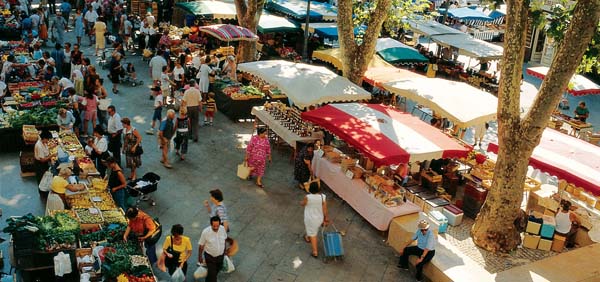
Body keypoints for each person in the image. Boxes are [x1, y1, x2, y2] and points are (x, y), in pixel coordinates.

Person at [301, 182, 329, 258]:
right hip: (319, 218)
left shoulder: (308, 197)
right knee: (313, 229)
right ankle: (307, 236)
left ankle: (315, 252)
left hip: (310, 219)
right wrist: (326, 218)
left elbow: (303, 204)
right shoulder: (323, 197)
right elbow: (325, 209)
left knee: (313, 234)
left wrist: (301, 202)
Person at [197, 216, 227, 282]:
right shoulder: (205, 232)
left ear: (219, 224)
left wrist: (225, 251)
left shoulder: (222, 229)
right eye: (214, 226)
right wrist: (200, 257)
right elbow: (201, 245)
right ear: (211, 224)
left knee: (216, 271)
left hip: (220, 256)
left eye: (217, 226)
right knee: (213, 276)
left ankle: (208, 280)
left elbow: (224, 240)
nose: (216, 228)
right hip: (210, 257)